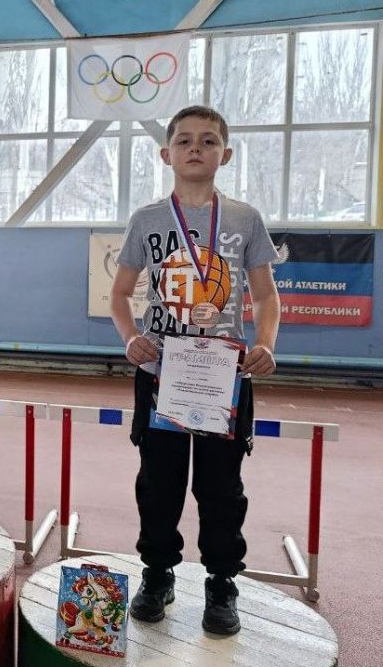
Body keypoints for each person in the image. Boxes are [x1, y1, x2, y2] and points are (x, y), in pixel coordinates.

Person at [109, 105, 281, 635]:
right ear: (167, 154)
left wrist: (266, 342)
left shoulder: (245, 219)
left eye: (208, 141)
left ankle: (221, 582)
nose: (195, 149)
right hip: (162, 372)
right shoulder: (147, 220)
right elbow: (120, 294)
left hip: (224, 376)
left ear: (225, 155)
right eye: (184, 141)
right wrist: (131, 338)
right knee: (158, 482)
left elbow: (266, 295)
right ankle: (157, 573)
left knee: (221, 486)